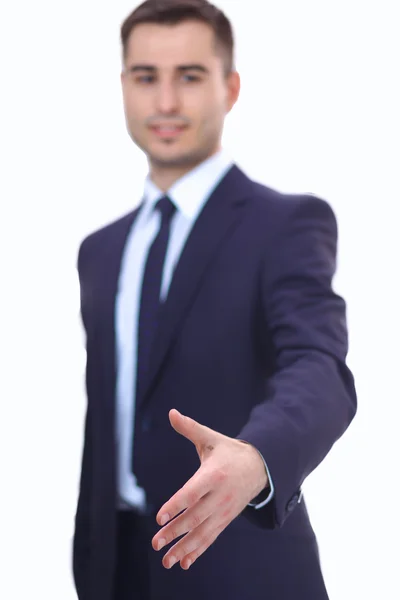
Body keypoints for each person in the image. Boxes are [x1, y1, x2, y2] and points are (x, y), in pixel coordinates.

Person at [72, 1, 357, 599]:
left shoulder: (287, 224)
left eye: (191, 76)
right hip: (114, 570)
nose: (167, 102)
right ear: (124, 86)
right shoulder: (99, 251)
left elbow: (318, 366)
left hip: (241, 567)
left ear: (229, 88)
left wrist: (260, 456)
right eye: (147, 77)